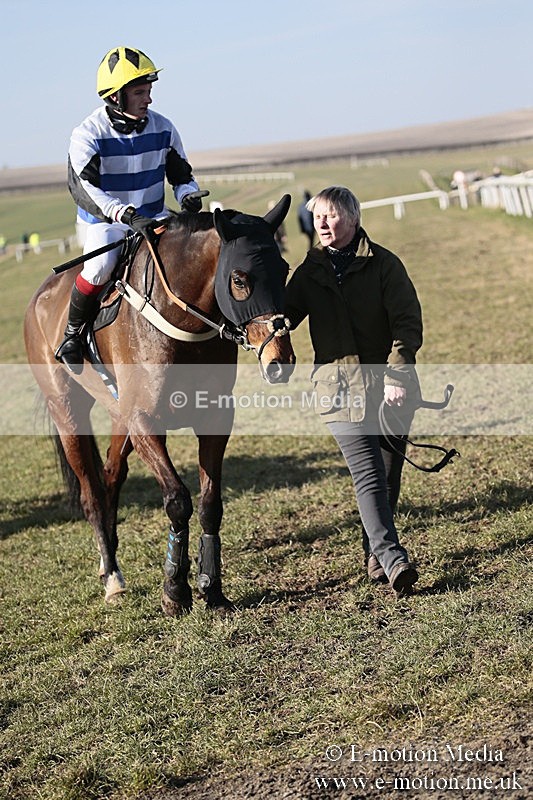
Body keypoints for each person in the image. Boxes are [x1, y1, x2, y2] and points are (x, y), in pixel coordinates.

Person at [284, 186, 423, 597]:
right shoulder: (308, 273)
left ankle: (373, 553)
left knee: (388, 476)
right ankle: (393, 557)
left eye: (330, 216)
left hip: (390, 389)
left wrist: (398, 375)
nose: (322, 224)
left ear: (353, 218)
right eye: (318, 218)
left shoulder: (384, 265)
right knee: (368, 475)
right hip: (337, 391)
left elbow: (407, 322)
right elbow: (284, 317)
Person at [56, 46, 205, 372]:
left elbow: (182, 176)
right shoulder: (87, 134)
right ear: (114, 97)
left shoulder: (164, 127)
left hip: (154, 216)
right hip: (105, 221)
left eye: (149, 91)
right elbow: (85, 191)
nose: (148, 99)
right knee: (98, 268)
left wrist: (188, 196)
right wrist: (124, 214)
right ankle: (72, 335)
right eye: (140, 92)